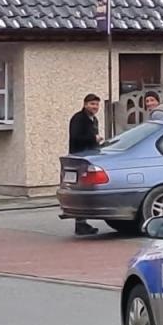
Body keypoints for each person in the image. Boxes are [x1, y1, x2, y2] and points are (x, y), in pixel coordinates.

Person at [68, 94, 102, 235]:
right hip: (79, 158)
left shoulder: (93, 119)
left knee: (86, 190)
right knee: (81, 190)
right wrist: (93, 138)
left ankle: (81, 222)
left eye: (97, 105)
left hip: (89, 157)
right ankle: (80, 223)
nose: (95, 107)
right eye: (92, 104)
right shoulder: (79, 118)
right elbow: (76, 137)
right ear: (85, 104)